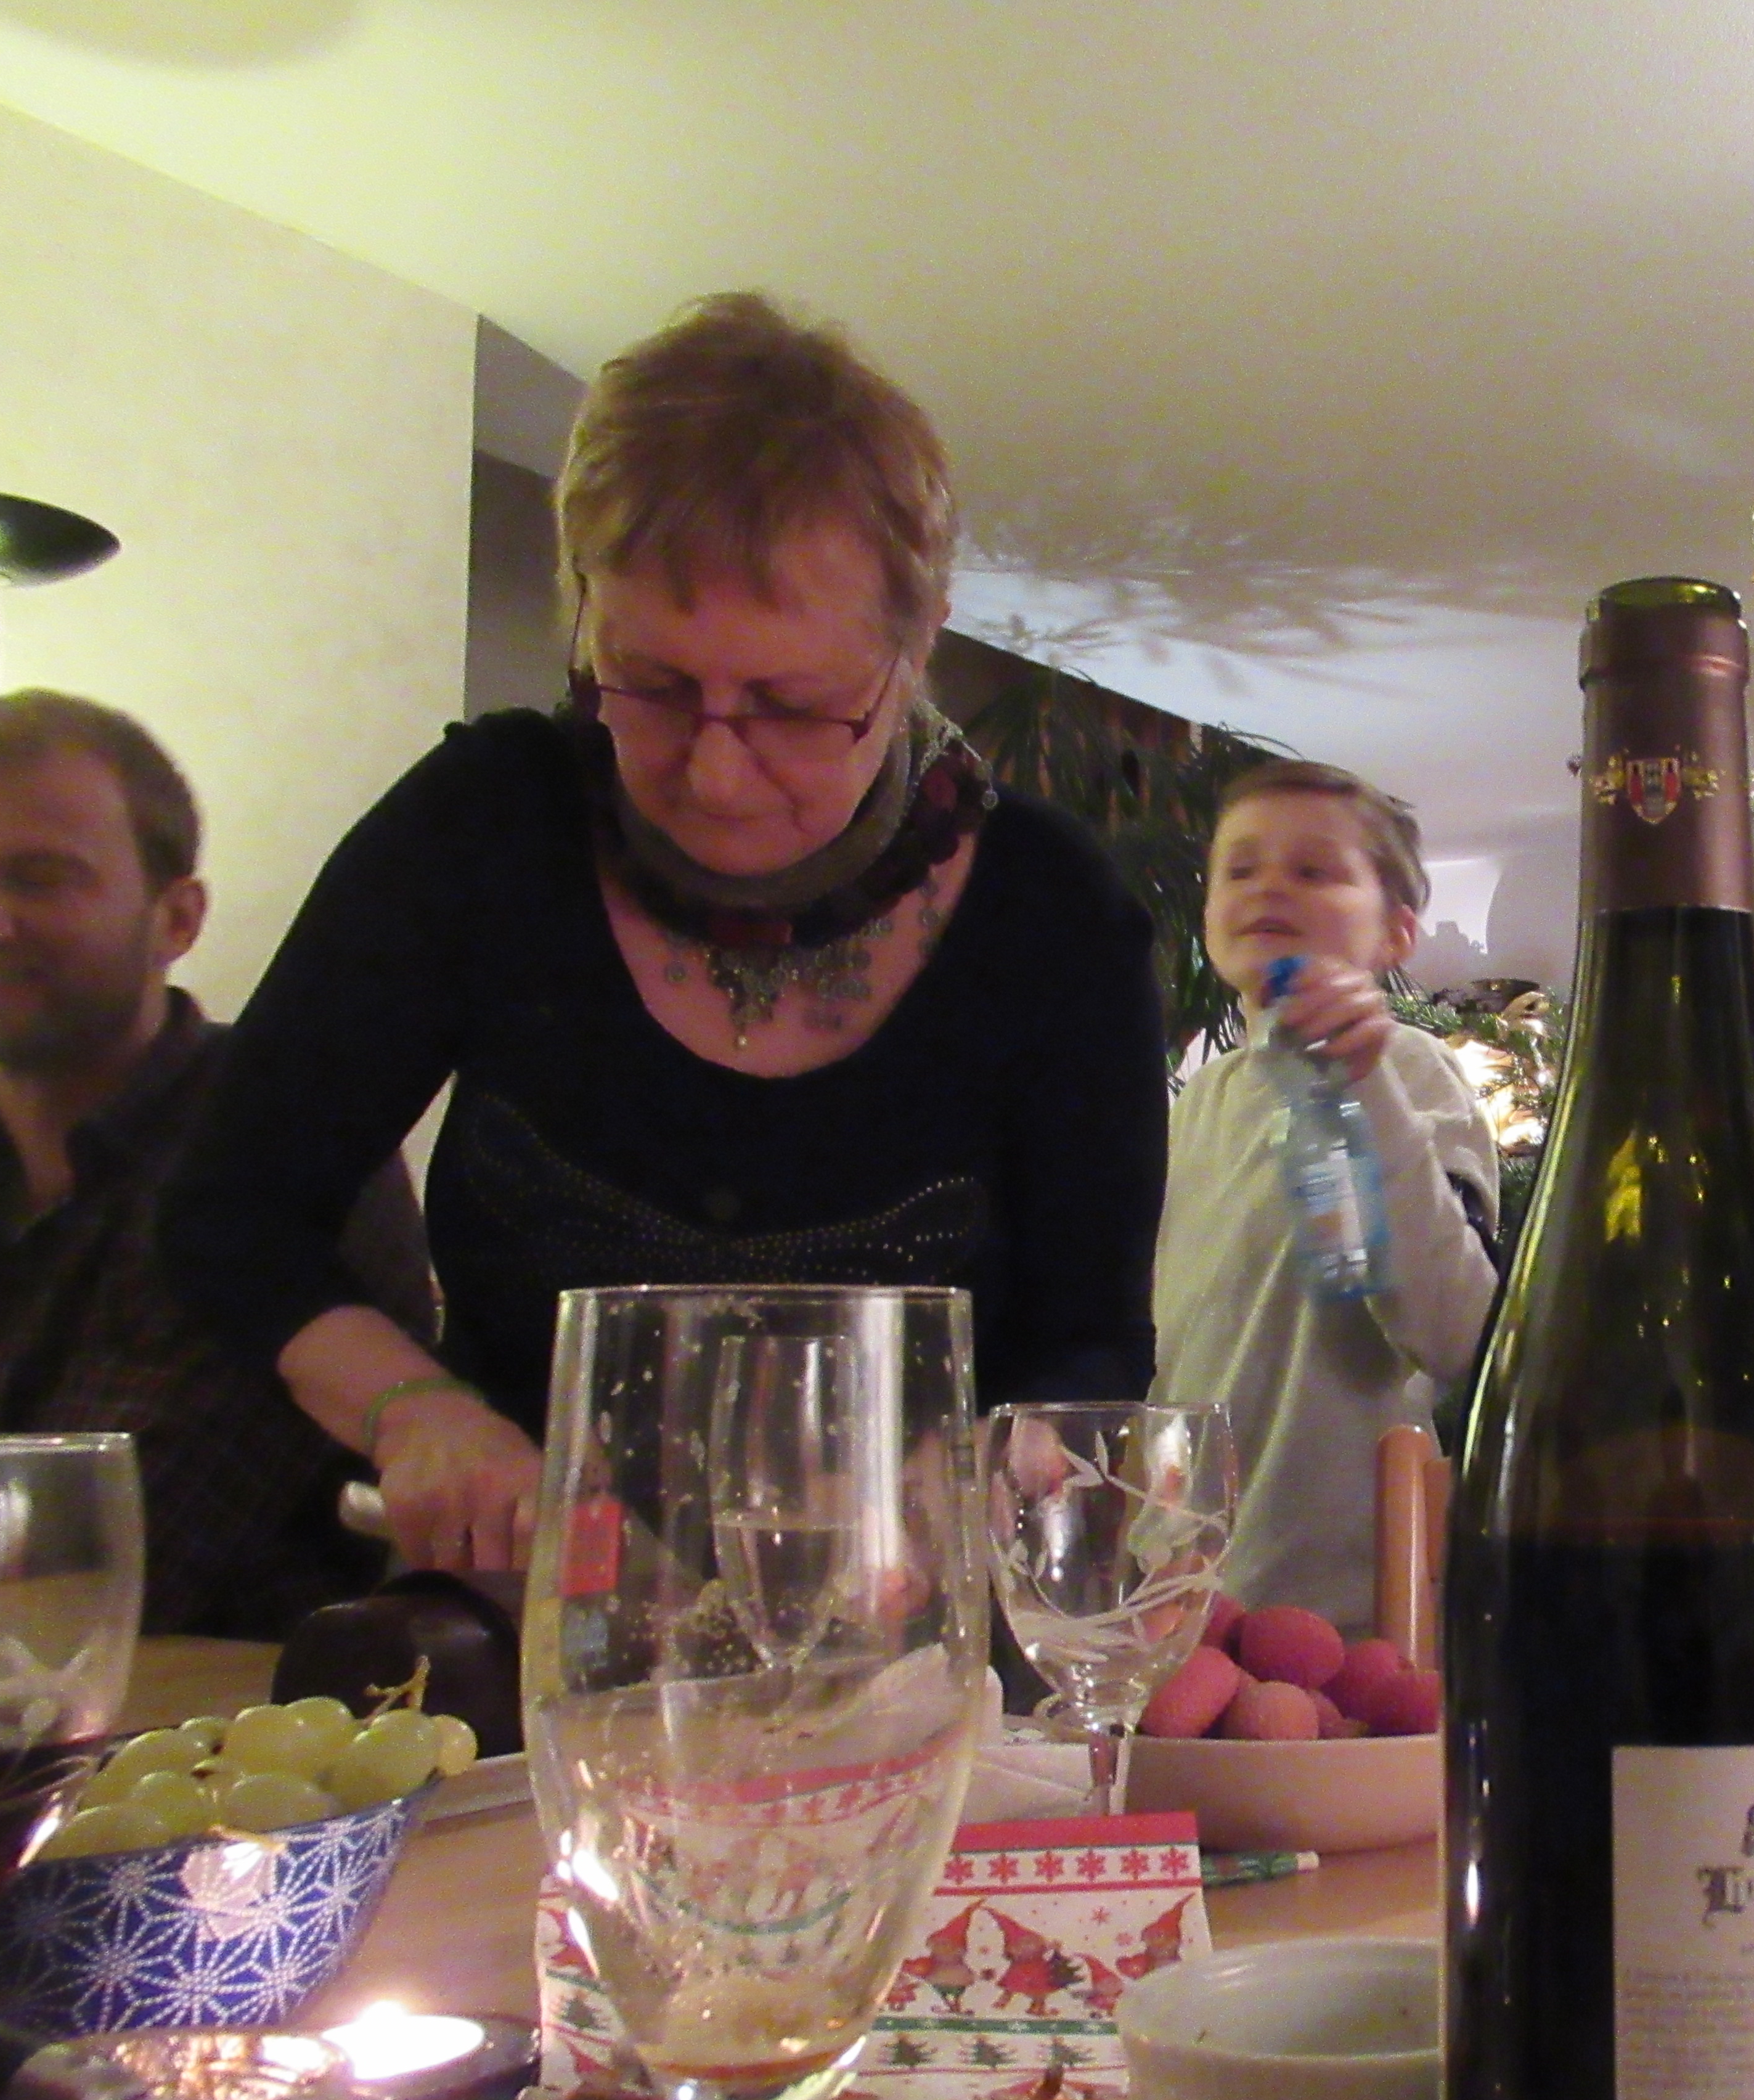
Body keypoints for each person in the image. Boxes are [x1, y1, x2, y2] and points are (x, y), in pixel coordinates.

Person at [165, 293, 1169, 1580]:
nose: (716, 773)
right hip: (523, 1616)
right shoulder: (485, 828)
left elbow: (1093, 1347)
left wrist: (979, 1474)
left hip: (907, 1627)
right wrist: (417, 1412)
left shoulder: (1052, 915)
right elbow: (234, 1215)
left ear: (915, 643)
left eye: (793, 705)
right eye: (648, 685)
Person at [0, 692, 434, 1635]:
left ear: (177, 918)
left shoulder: (282, 1152)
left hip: (206, 1711)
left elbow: (108, 1559)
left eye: (38, 878)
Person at [1152, 762, 1498, 1632]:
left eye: (1314, 870)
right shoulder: (1198, 1103)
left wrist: (1362, 1083)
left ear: (1396, 933)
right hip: (1184, 1600)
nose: (1269, 885)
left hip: (1351, 1618)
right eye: (1240, 869)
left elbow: (1455, 1329)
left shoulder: (1413, 1074)